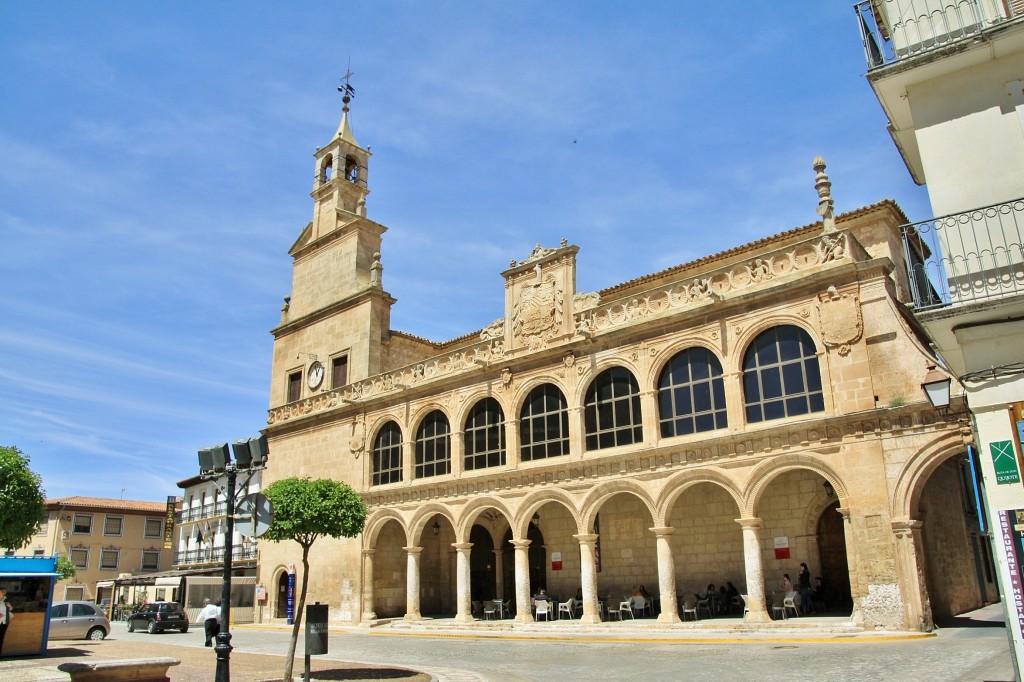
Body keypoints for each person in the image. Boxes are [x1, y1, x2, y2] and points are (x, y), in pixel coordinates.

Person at [0, 588, 12, 657]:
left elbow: (10, 609)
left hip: (4, 622)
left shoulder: (6, 601)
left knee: (1, 638)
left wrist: (10, 607)